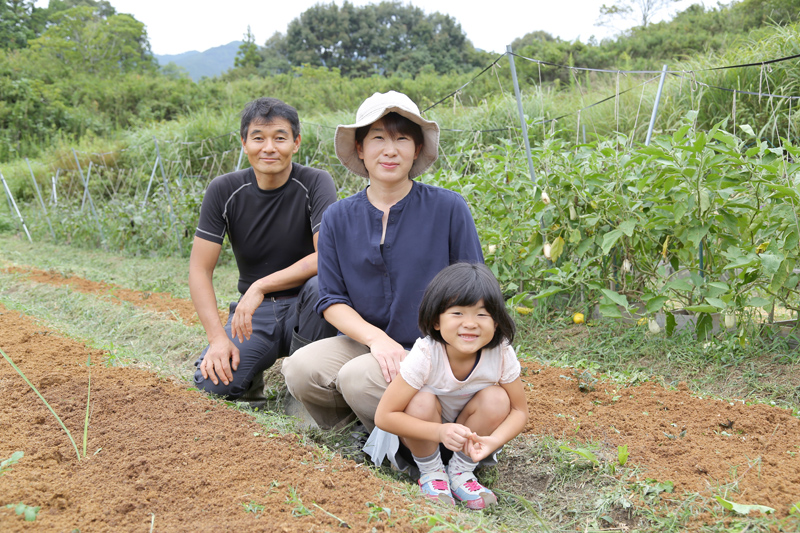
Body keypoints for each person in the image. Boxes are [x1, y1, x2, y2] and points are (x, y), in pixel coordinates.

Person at [281, 90, 484, 431]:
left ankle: (412, 446)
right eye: (377, 138)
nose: (390, 150)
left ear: (416, 149)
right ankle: (354, 434)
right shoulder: (337, 218)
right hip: (368, 343)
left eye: (402, 139)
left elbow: (474, 286)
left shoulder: (448, 209)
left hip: (434, 348)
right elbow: (331, 299)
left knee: (358, 378)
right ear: (360, 148)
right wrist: (377, 340)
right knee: (301, 369)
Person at [189, 97, 337, 406]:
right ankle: (250, 376)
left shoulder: (315, 182)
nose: (269, 147)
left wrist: (260, 285)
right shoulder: (224, 190)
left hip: (309, 308)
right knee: (211, 387)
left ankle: (306, 392)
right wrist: (217, 339)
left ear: (296, 142)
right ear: (244, 143)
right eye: (258, 138)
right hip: (256, 314)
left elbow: (327, 256)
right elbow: (200, 269)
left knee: (323, 284)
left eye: (280, 138)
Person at [366, 262, 527, 510]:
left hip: (468, 447)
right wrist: (439, 433)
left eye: (482, 314)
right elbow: (384, 416)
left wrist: (493, 442)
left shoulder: (501, 353)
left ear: (496, 322)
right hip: (419, 443)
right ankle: (432, 473)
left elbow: (519, 411)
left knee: (497, 397)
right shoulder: (427, 353)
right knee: (421, 400)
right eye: (458, 313)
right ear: (436, 321)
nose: (471, 323)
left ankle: (461, 473)